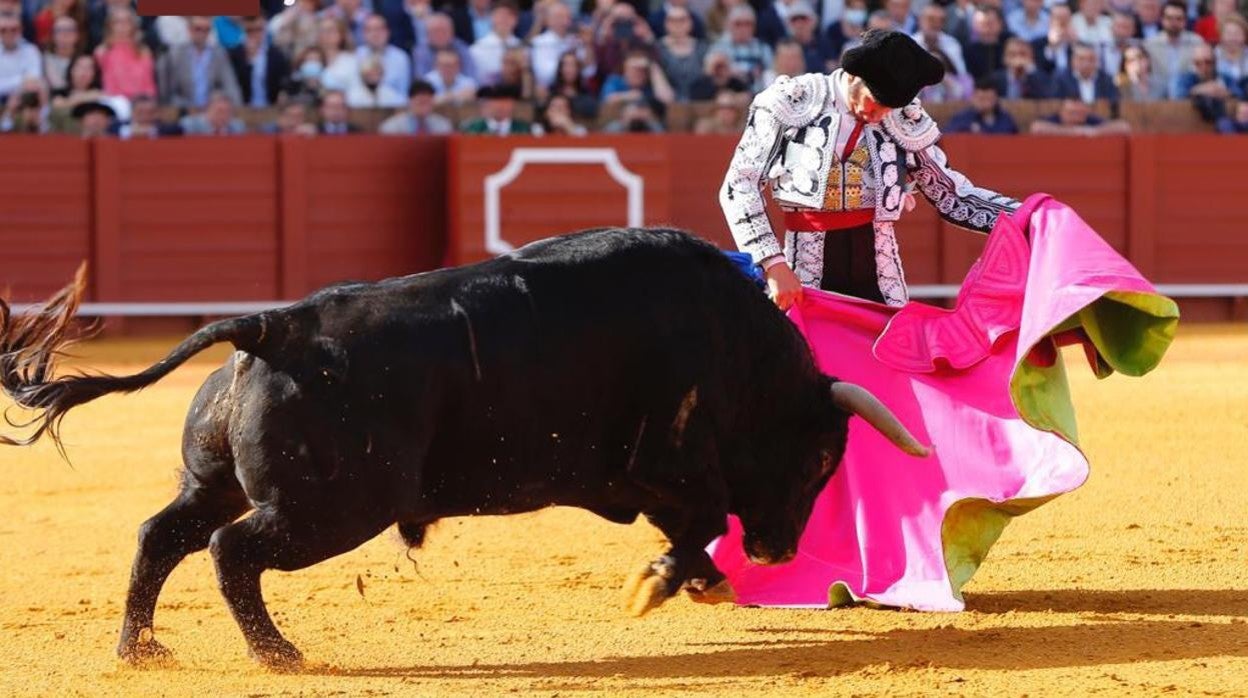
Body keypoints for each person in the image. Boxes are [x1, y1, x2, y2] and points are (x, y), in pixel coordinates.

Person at [712, 28, 1177, 614]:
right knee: (794, 417)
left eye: (889, 104)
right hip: (805, 285)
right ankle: (772, 551)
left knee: (893, 419)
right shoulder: (791, 102)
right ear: (849, 76)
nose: (877, 112)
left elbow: (951, 197)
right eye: (872, 99)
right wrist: (772, 262)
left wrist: (1026, 219)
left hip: (880, 287)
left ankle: (888, 555)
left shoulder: (903, 119)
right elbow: (738, 188)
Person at [379, 79, 454, 134]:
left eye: (427, 102)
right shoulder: (392, 127)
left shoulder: (443, 125)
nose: (423, 107)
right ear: (410, 101)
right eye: (420, 102)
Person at [945, 78, 1019, 133]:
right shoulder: (962, 118)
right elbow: (949, 137)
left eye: (988, 99)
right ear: (973, 98)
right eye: (981, 99)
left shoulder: (1006, 119)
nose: (985, 104)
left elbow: (1015, 141)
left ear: (996, 99)